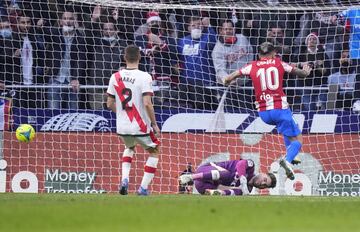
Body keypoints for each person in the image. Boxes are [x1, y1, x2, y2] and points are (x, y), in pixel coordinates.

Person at [224, 42, 312, 180]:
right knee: (298, 139)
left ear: (258, 55)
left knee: (284, 130)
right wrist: (306, 71)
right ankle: (287, 160)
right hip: (279, 109)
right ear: (273, 53)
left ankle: (290, 155)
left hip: (264, 114)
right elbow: (301, 74)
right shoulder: (278, 63)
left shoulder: (252, 65)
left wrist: (226, 81)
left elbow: (231, 76)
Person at [106, 45, 161, 196]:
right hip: (140, 126)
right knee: (154, 150)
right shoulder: (145, 77)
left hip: (122, 127)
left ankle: (124, 180)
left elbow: (109, 104)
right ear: (140, 57)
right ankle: (143, 188)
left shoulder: (115, 77)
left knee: (129, 147)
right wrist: (154, 124)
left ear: (124, 57)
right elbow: (147, 103)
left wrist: (124, 114)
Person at [179, 159, 277, 196]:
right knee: (227, 175)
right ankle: (190, 177)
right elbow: (240, 164)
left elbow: (233, 192)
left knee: (239, 193)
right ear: (263, 173)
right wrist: (242, 178)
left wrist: (221, 192)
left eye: (265, 185)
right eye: (264, 179)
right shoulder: (250, 167)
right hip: (205, 170)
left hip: (203, 186)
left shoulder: (247, 190)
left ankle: (215, 193)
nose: (262, 183)